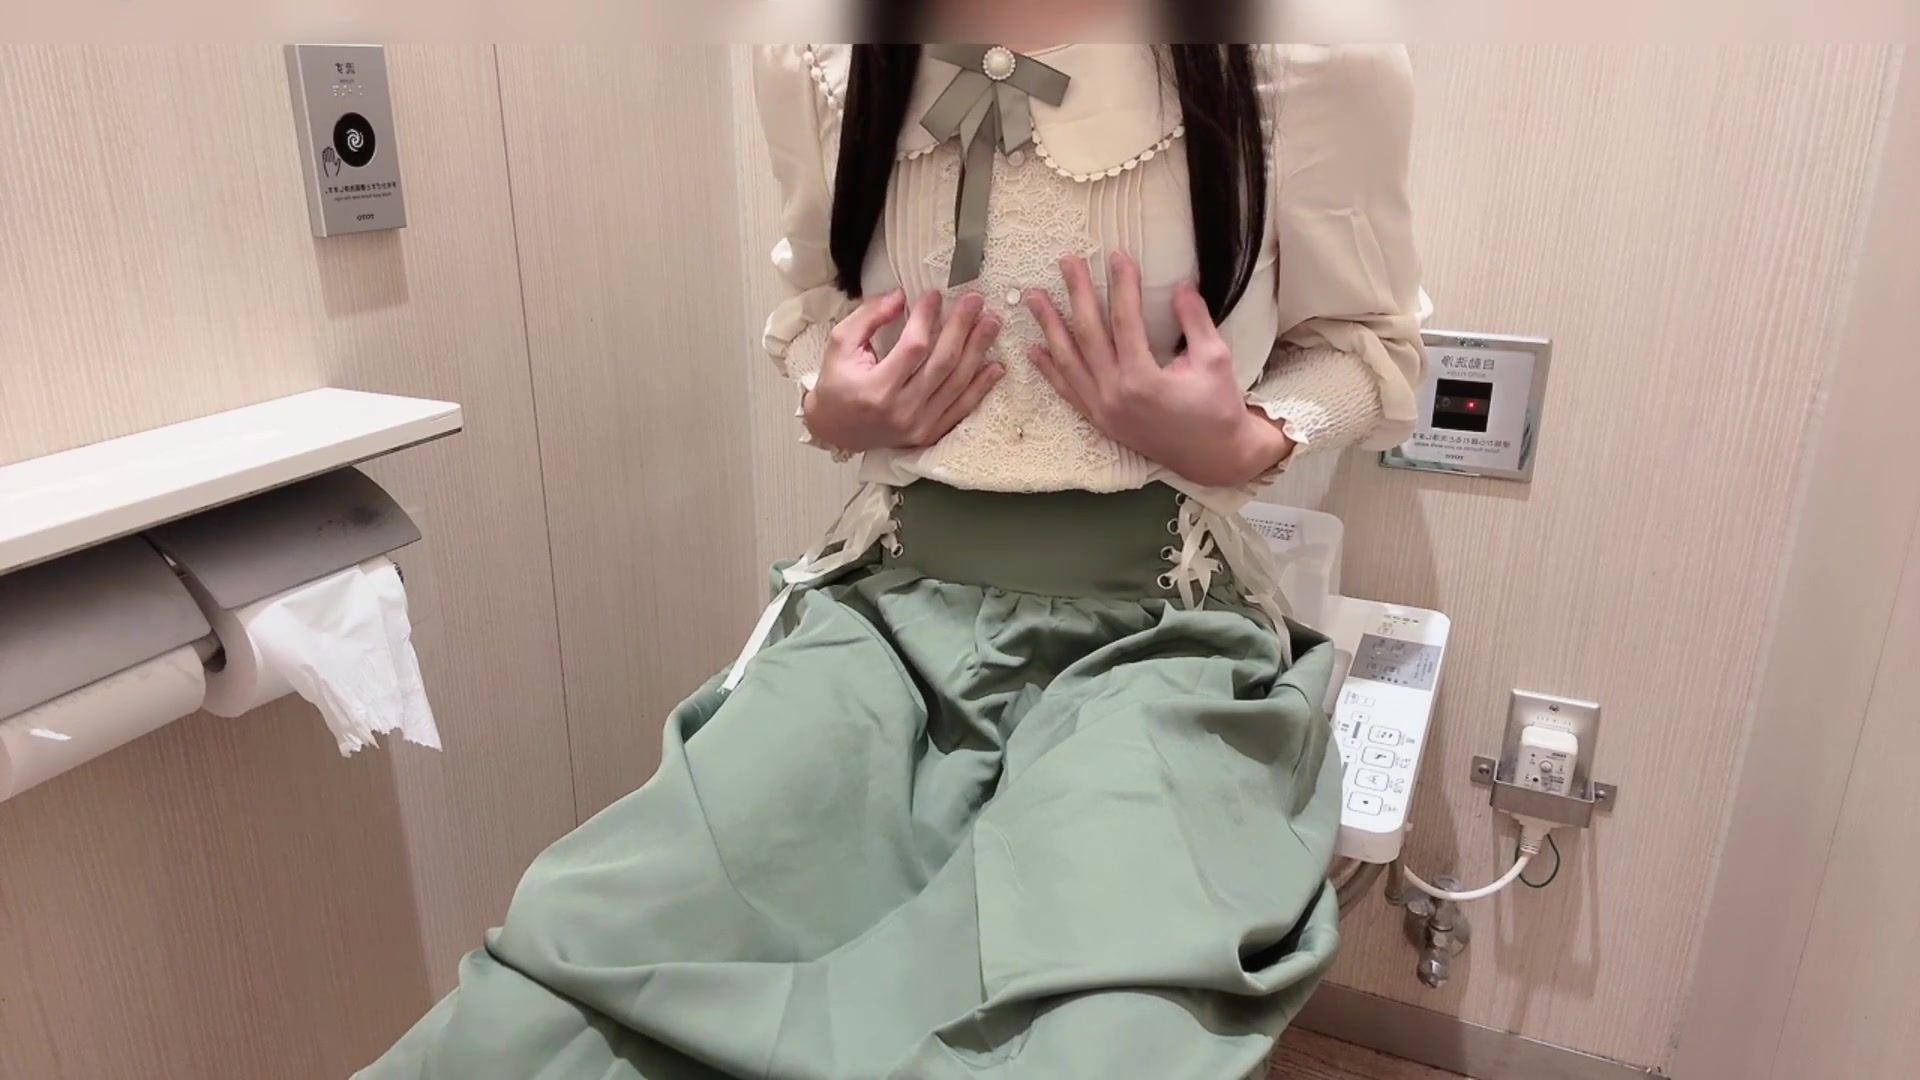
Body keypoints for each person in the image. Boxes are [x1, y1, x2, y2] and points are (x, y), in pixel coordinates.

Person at [359, 29, 1425, 1080]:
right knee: (598, 949)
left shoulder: (1306, 60)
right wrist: (831, 405)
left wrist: (1249, 439)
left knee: (1100, 1025)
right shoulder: (818, 59)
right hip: (888, 620)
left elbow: (1368, 347)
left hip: (1159, 632)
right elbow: (818, 312)